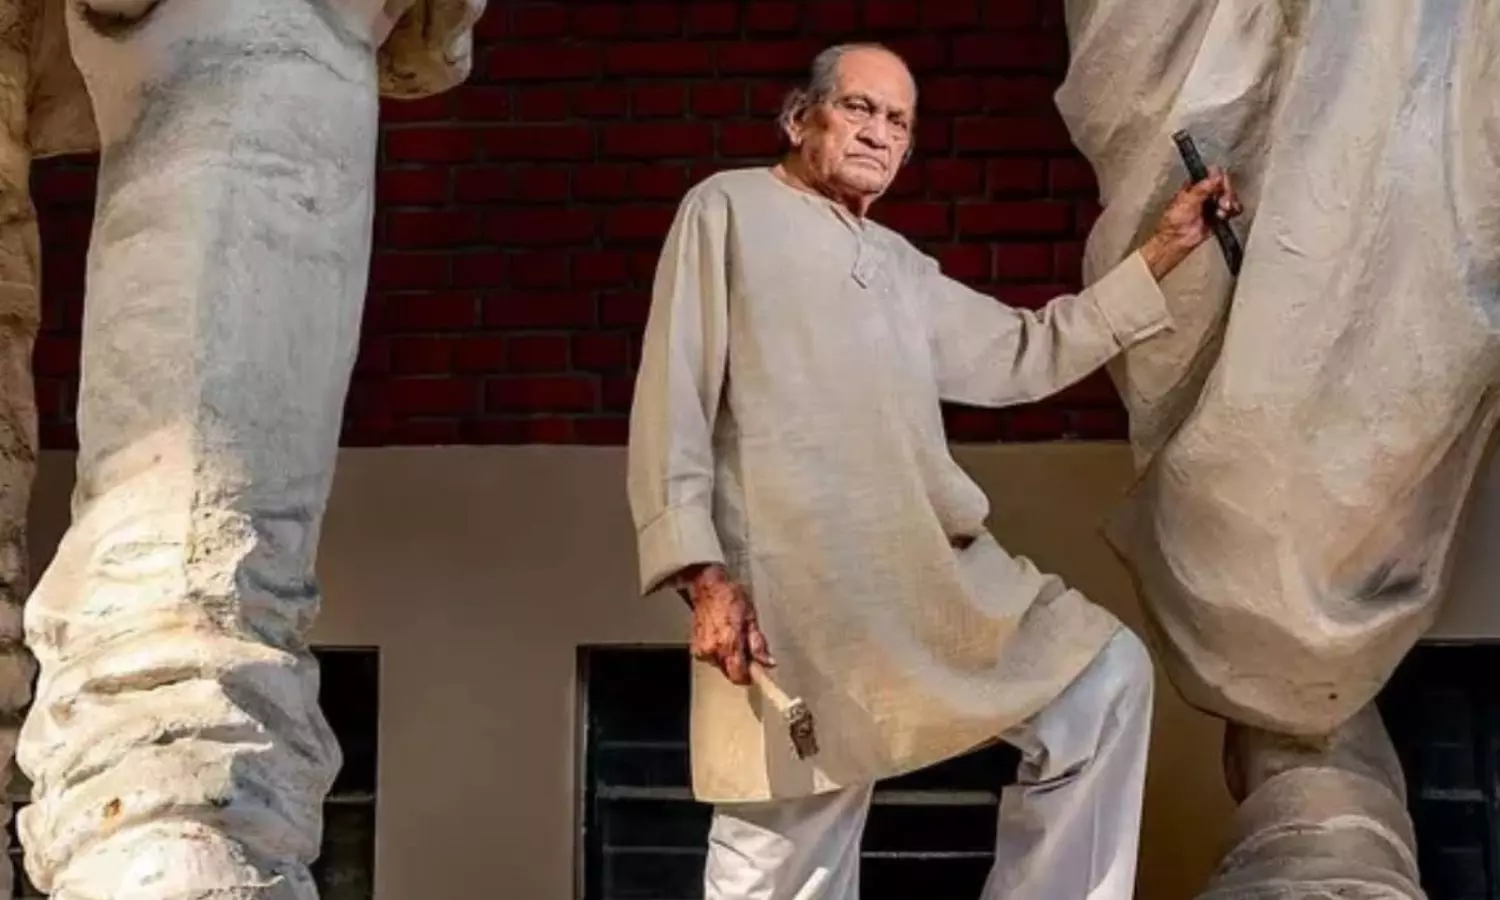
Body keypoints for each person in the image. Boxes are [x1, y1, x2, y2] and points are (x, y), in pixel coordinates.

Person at [626, 41, 1242, 900]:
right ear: (799, 118)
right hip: (795, 594)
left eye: (899, 122)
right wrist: (703, 576)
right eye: (859, 107)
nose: (879, 132)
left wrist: (1167, 248)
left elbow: (1028, 351)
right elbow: (675, 392)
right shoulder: (728, 208)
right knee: (783, 854)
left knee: (1102, 681)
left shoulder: (900, 269)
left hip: (925, 576)